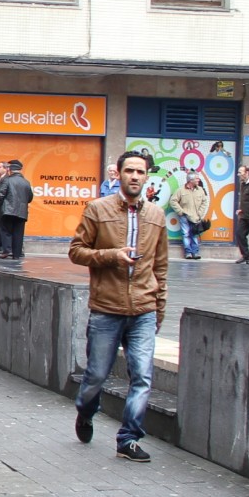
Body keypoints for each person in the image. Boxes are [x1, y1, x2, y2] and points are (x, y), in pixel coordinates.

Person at [69, 150, 169, 463]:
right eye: (130, 171)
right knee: (96, 376)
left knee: (142, 376)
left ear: (147, 176)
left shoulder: (156, 215)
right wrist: (111, 255)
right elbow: (76, 251)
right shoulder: (97, 209)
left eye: (141, 172)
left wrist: (159, 307)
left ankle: (128, 439)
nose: (135, 177)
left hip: (143, 309)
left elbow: (161, 267)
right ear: (120, 174)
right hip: (106, 309)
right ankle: (85, 412)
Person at [0, 158, 34, 260]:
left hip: (8, 210)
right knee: (18, 233)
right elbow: (30, 198)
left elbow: (1, 195)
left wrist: (0, 206)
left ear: (10, 170)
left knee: (6, 230)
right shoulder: (26, 182)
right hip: (22, 212)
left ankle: (7, 250)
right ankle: (16, 254)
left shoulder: (7, 180)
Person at [169, 170, 211, 261]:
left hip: (196, 217)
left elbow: (204, 202)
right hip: (184, 216)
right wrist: (180, 212)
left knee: (194, 234)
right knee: (186, 234)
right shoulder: (181, 190)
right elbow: (173, 201)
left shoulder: (200, 190)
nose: (198, 180)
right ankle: (188, 252)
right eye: (196, 178)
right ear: (190, 180)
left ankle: (195, 252)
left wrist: (200, 213)